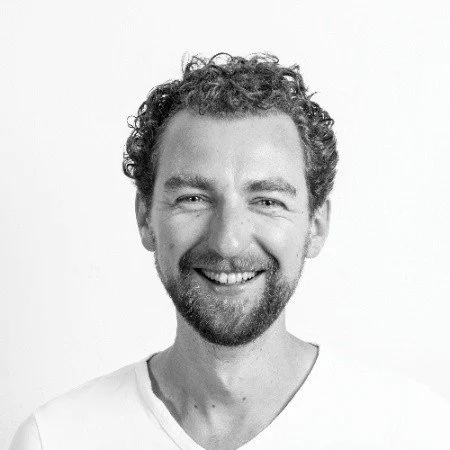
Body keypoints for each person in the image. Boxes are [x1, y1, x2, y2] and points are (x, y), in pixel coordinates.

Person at [10, 53, 450, 449]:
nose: (228, 241)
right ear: (145, 218)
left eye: (267, 201)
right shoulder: (55, 439)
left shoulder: (415, 433)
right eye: (193, 198)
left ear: (316, 225)